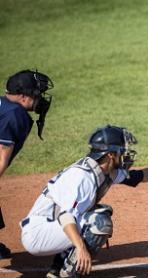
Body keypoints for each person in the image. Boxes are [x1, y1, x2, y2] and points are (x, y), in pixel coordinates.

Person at [20, 125, 148, 277]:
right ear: (110, 154)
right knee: (99, 222)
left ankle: (57, 268)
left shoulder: (104, 170)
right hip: (39, 233)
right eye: (122, 150)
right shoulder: (83, 177)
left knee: (95, 214)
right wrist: (80, 247)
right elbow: (65, 215)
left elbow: (139, 176)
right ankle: (67, 274)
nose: (126, 153)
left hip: (52, 225)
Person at [0, 69, 54, 259]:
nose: (41, 99)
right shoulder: (15, 115)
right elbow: (1, 158)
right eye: (37, 94)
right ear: (23, 97)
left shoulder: (4, 104)